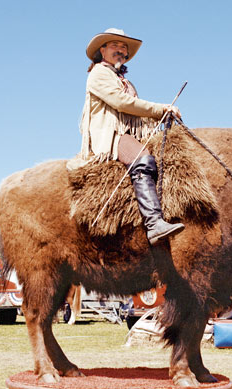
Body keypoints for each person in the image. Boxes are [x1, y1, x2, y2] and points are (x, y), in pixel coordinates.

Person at [80, 28, 185, 245]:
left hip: (130, 133)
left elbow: (135, 114)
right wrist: (158, 108)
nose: (121, 50)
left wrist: (162, 117)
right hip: (112, 136)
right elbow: (121, 103)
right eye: (115, 46)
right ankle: (154, 223)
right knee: (143, 159)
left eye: (123, 48)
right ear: (102, 50)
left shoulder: (126, 81)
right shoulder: (99, 73)